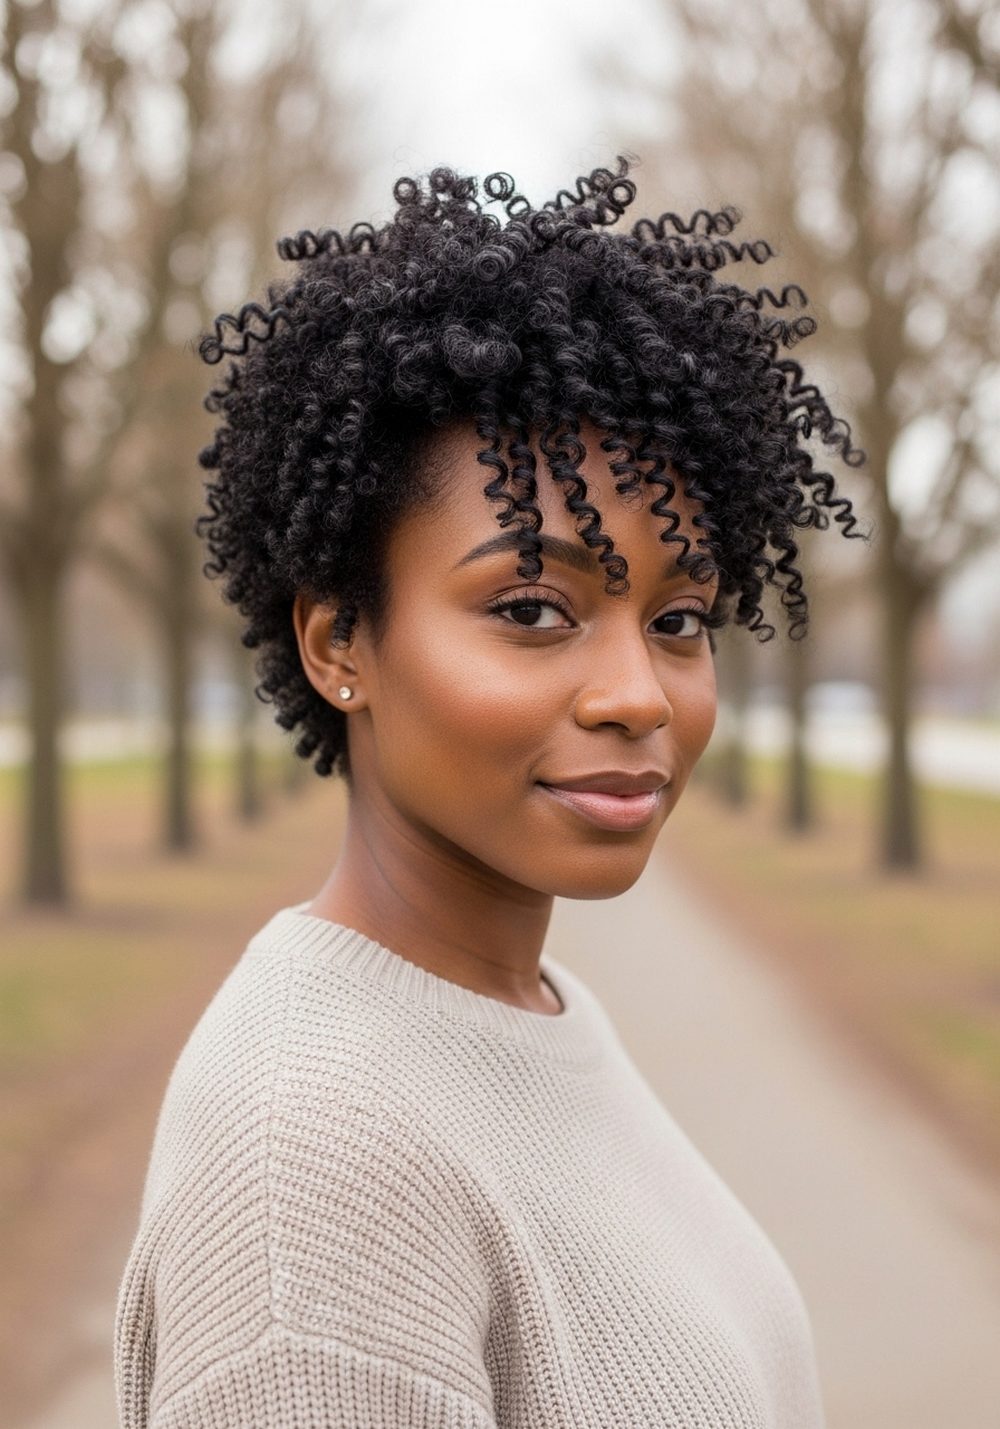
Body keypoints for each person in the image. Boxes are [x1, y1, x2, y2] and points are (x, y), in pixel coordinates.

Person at [114, 156, 865, 1428]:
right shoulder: (315, 1172)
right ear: (337, 642)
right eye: (530, 608)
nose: (639, 691)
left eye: (679, 618)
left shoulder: (535, 1009)